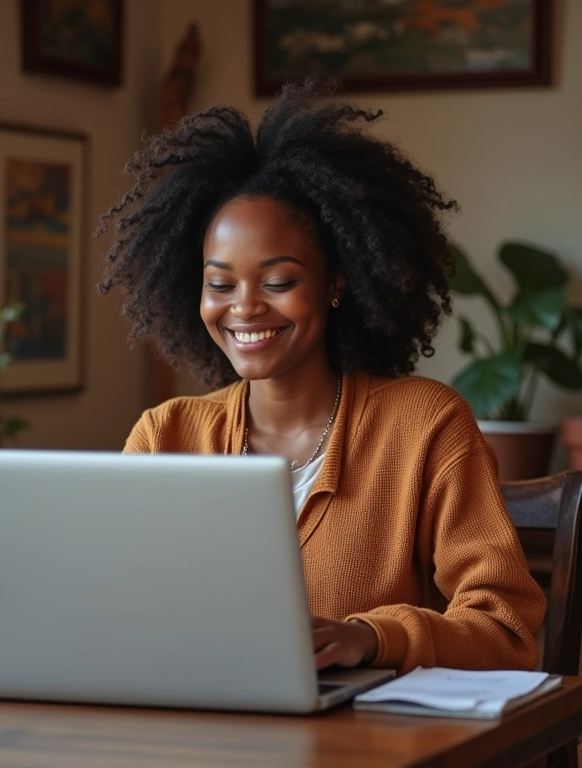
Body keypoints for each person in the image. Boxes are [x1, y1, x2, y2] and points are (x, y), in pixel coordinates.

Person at [96, 78, 545, 674]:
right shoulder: (165, 437)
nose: (245, 307)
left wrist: (374, 637)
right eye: (220, 284)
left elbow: (506, 633)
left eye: (278, 282)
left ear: (336, 284)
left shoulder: (425, 426)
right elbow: (112, 612)